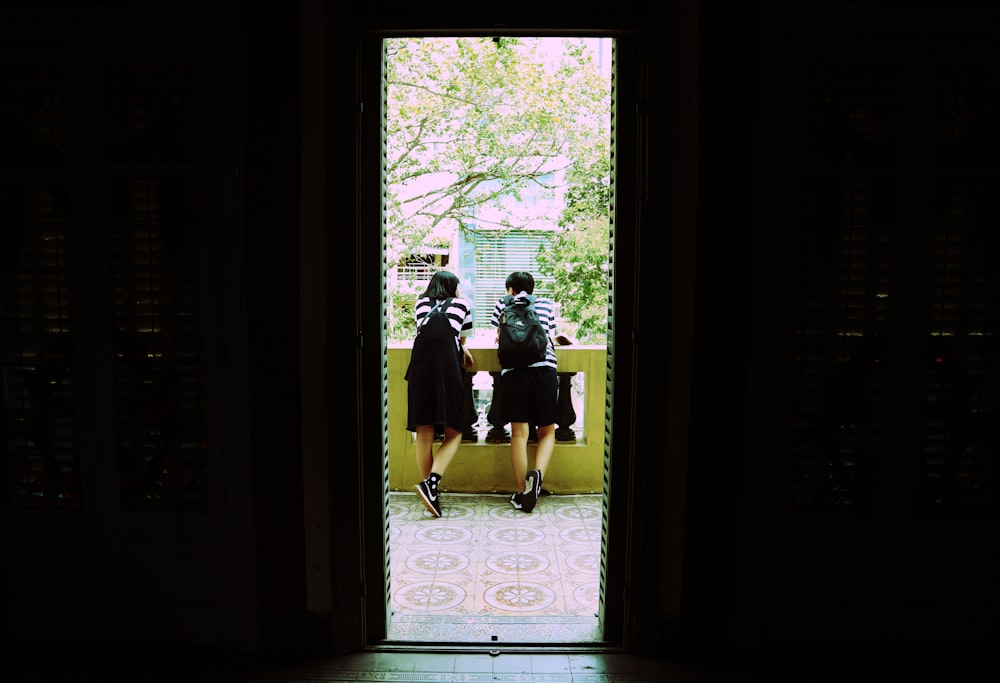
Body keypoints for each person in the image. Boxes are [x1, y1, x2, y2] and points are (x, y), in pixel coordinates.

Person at [404, 270, 475, 517]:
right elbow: (461, 339)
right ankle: (431, 485)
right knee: (455, 431)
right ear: (453, 287)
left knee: (424, 433)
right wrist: (464, 351)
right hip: (447, 371)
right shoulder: (462, 304)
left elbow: (423, 332)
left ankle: (429, 492)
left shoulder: (420, 303)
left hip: (420, 370)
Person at [489, 271, 559, 513]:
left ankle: (521, 492)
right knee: (547, 430)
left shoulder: (502, 303)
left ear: (510, 289)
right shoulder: (546, 304)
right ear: (532, 287)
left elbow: (499, 337)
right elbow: (548, 335)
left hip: (514, 371)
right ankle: (537, 477)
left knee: (519, 433)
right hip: (544, 369)